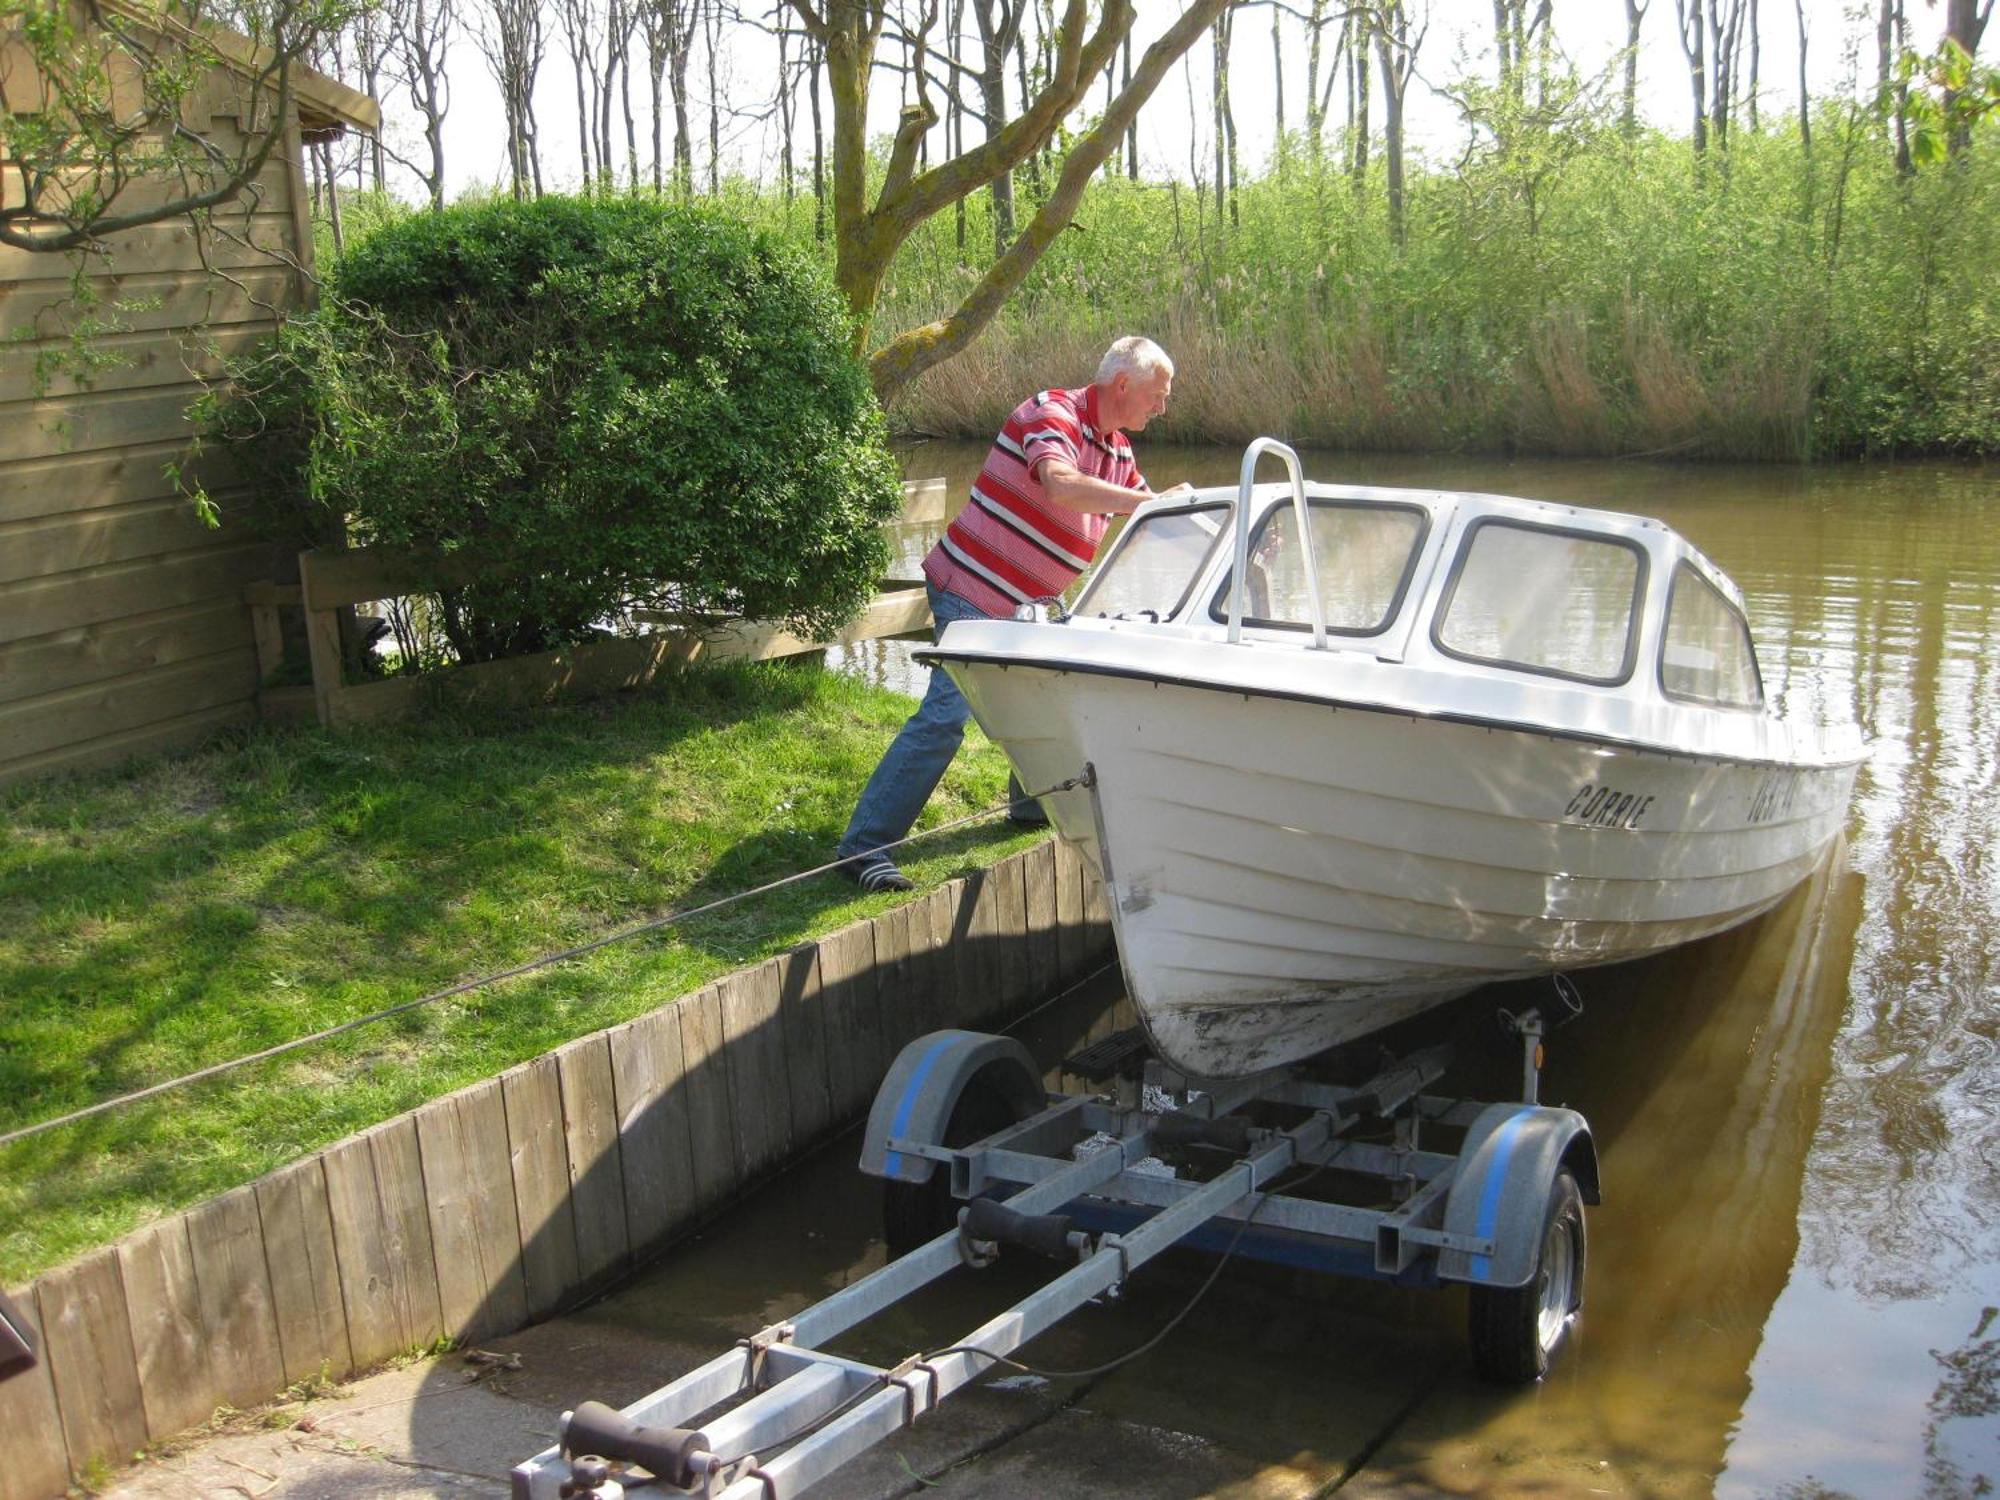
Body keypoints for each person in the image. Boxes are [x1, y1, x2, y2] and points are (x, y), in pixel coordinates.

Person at [836, 336, 1179, 892]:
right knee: (948, 716)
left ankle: (1028, 807)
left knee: (1045, 706)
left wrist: (1230, 535)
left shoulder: (1118, 452)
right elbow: (1060, 486)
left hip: (1030, 605)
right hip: (972, 587)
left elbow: (1155, 520)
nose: (1162, 406)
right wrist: (1151, 504)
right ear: (1123, 384)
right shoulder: (1052, 411)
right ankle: (864, 846)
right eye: (1157, 394)